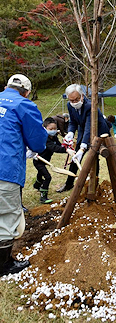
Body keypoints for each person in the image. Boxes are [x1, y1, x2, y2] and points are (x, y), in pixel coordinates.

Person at [0, 74, 48, 276]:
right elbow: (37, 142)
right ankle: (4, 265)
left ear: (6, 86)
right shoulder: (24, 105)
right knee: (7, 214)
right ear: (26, 92)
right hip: (5, 167)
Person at [56, 84, 110, 193]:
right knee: (75, 157)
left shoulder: (90, 106)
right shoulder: (70, 105)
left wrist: (83, 147)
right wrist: (70, 132)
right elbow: (73, 121)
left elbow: (90, 127)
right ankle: (69, 183)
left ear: (82, 95)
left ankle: (94, 184)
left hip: (99, 131)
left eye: (76, 99)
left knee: (94, 157)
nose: (74, 102)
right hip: (83, 130)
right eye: (72, 100)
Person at [33, 117, 74, 203]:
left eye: (55, 128)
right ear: (45, 128)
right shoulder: (44, 138)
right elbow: (53, 147)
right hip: (38, 161)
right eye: (50, 129)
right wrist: (66, 150)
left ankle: (37, 184)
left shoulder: (54, 136)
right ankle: (43, 197)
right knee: (47, 177)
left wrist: (66, 146)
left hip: (46, 160)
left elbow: (59, 146)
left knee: (41, 173)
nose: (53, 130)